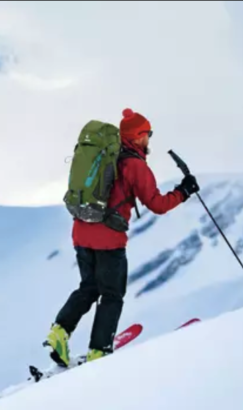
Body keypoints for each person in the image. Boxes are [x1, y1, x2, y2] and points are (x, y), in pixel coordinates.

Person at [45, 108, 199, 366]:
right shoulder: (135, 165)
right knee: (112, 295)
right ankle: (99, 350)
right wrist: (184, 192)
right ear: (137, 136)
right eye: (147, 134)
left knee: (89, 287)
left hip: (81, 232)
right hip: (109, 241)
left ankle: (59, 332)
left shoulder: (105, 155)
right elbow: (158, 205)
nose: (149, 139)